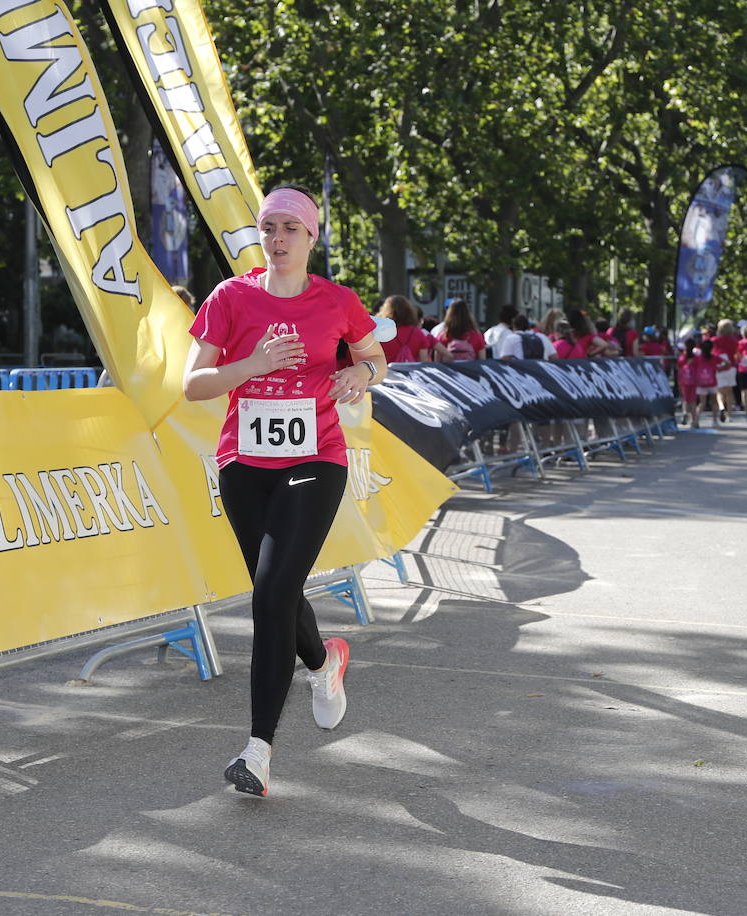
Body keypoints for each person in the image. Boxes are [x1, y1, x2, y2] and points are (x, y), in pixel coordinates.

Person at [183, 185, 386, 798]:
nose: (277, 239)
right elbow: (193, 385)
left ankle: (258, 751)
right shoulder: (230, 297)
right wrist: (254, 365)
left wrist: (359, 370)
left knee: (272, 593)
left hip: (315, 459)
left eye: (290, 229)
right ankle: (324, 664)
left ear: (310, 237)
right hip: (244, 463)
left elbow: (377, 357)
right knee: (276, 590)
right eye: (269, 227)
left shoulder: (337, 301)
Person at [376, 295, 440, 362]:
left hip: (388, 371)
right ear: (409, 311)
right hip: (412, 371)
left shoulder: (381, 333)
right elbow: (424, 362)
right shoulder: (418, 333)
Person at [711, 319, 740, 420]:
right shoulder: (734, 340)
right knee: (729, 391)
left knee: (719, 391)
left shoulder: (714, 340)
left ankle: (721, 407)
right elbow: (737, 354)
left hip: (719, 366)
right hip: (731, 367)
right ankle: (730, 414)